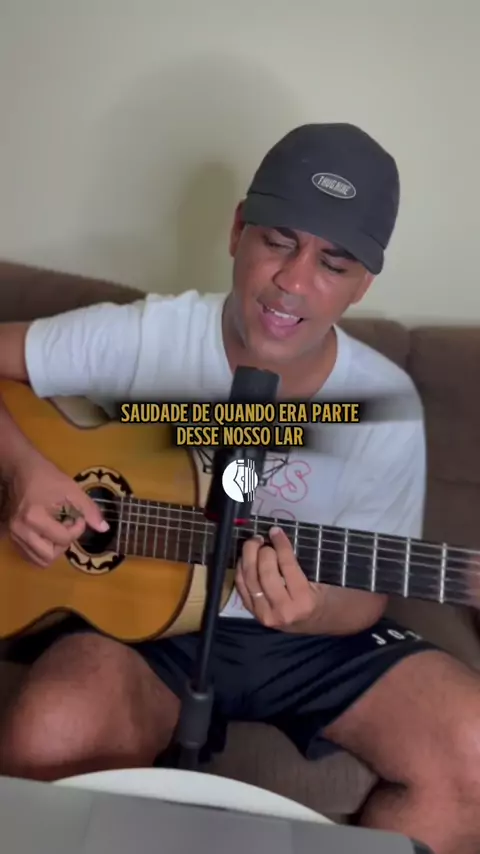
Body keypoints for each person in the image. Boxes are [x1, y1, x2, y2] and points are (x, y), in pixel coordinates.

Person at [0, 122, 478, 854]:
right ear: (237, 231)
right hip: (144, 630)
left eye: (334, 263)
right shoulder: (148, 336)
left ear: (363, 284)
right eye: (279, 241)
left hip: (308, 648)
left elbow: (365, 596)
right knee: (52, 727)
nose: (294, 281)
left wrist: (315, 608)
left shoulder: (385, 402)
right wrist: (23, 470)